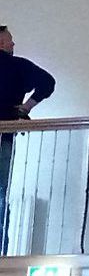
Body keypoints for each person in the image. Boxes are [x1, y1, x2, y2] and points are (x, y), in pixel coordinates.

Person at [0, 24, 55, 253]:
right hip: (4, 134)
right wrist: (24, 109)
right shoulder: (16, 66)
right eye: (9, 40)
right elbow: (47, 83)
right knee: (1, 194)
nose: (13, 44)